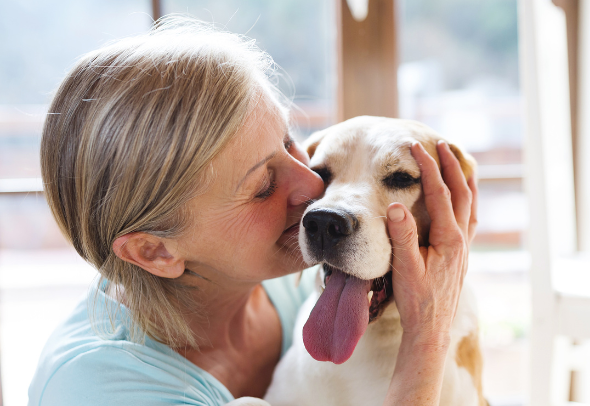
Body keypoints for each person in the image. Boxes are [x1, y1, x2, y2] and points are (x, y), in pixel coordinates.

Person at [28, 16, 477, 406]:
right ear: (155, 252)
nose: (314, 189)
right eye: (262, 187)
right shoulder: (98, 392)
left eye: (289, 144)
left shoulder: (292, 287)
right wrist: (427, 338)